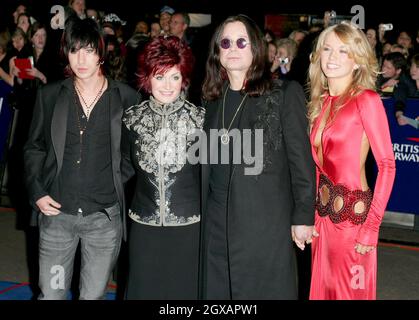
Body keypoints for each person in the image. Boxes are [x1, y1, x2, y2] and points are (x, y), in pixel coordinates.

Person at [200, 14, 316, 300]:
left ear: (255, 48)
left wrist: (303, 216)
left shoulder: (284, 93)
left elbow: (301, 162)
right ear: (217, 52)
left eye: (241, 41)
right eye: (225, 42)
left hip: (264, 224)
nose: (233, 48)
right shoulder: (211, 100)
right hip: (216, 222)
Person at [23, 16, 139, 300]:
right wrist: (37, 191)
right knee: (51, 294)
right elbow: (33, 147)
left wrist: (113, 183)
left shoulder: (126, 97)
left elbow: (131, 154)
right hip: (57, 218)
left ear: (101, 51)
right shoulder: (50, 95)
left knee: (92, 297)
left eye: (88, 50)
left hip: (103, 221)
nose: (81, 59)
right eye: (75, 50)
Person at [307, 21, 396, 300]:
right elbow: (318, 169)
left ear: (357, 60)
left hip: (352, 224)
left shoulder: (366, 100)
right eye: (327, 49)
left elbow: (387, 165)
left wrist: (371, 227)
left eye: (343, 51)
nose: (332, 57)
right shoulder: (320, 102)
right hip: (321, 220)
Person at [122, 35, 204, 299]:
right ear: (147, 79)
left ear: (184, 79)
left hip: (189, 227)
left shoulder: (201, 120)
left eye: (174, 77)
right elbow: (123, 166)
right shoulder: (132, 119)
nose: (167, 86)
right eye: (159, 77)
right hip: (144, 225)